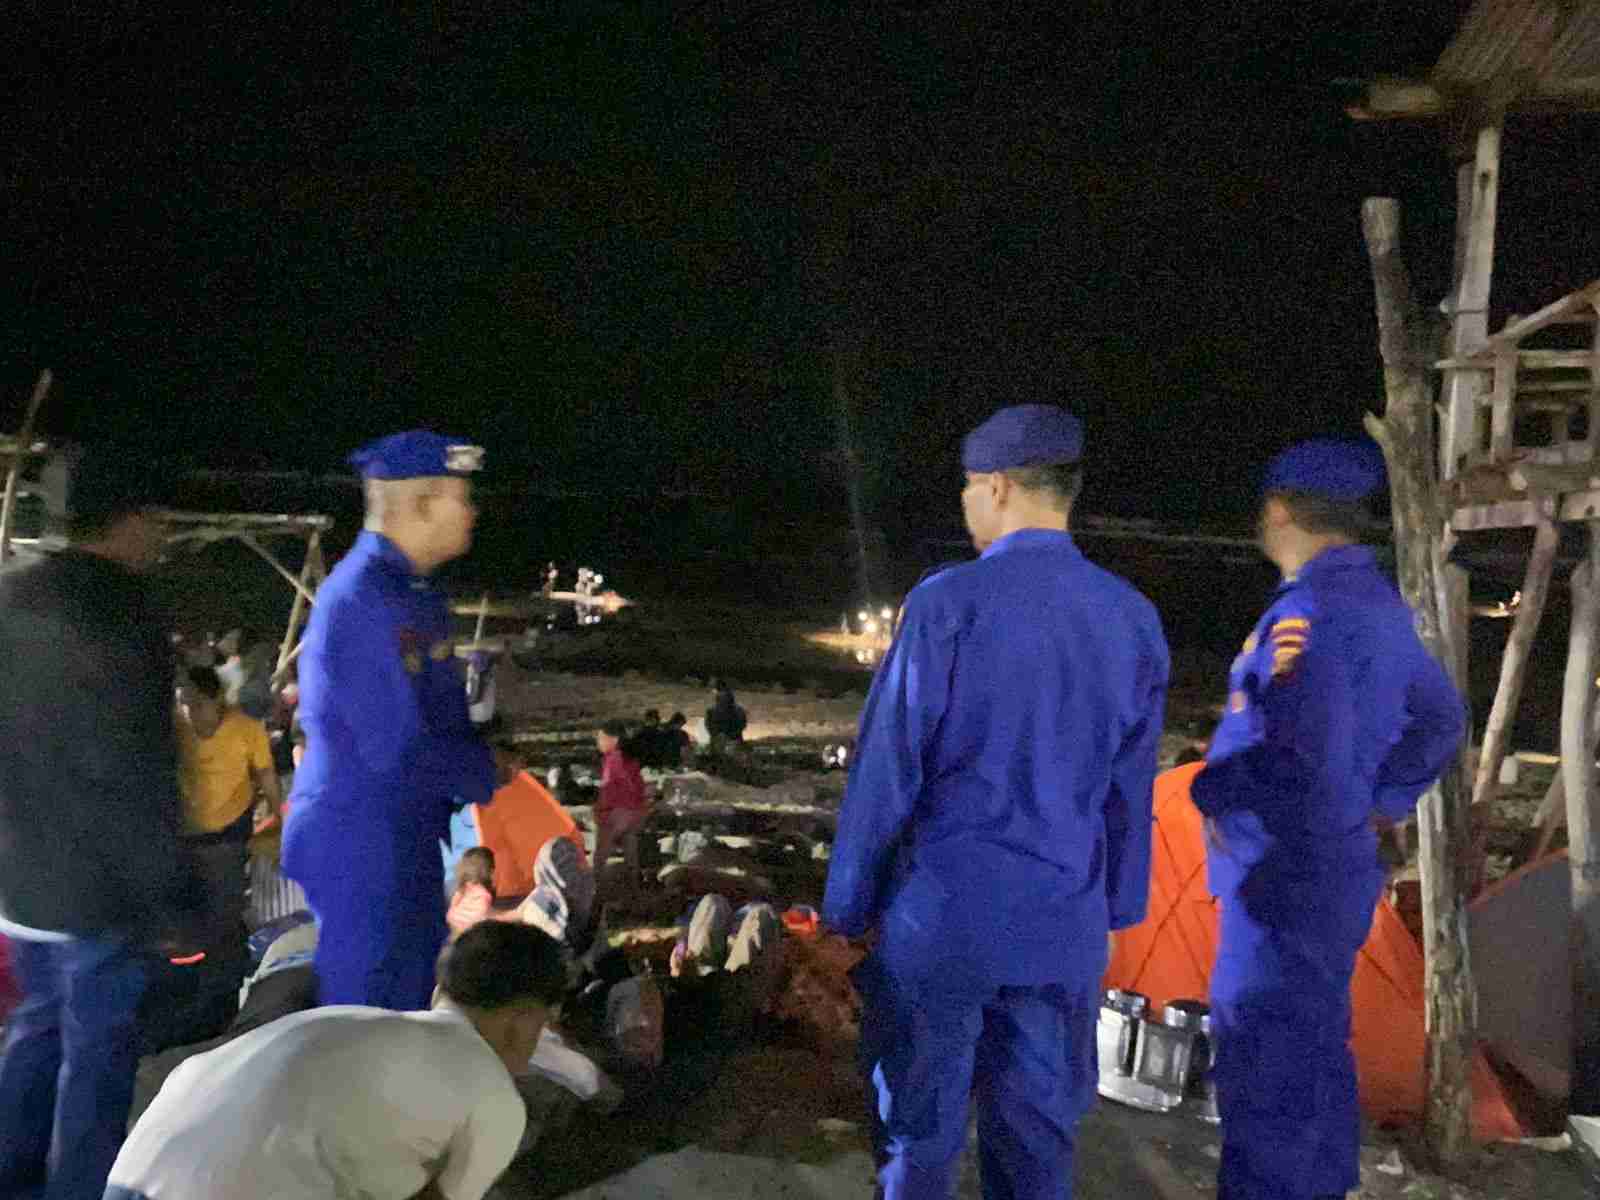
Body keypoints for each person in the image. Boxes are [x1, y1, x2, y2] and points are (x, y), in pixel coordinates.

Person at [822, 404, 1169, 1200]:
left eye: (970, 490)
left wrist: (847, 906)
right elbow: (1128, 790)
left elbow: (888, 772)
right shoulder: (1134, 619)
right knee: (1040, 1136)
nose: (968, 507)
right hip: (1063, 924)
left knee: (920, 1131)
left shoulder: (948, 604)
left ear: (1002, 487)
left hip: (947, 917)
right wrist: (1117, 904)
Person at [1191, 439, 1463, 1200]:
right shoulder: (1381, 610)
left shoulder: (1306, 617)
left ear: (1279, 514)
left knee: (1263, 1068)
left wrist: (1213, 792)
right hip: (1335, 867)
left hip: (1282, 875)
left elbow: (1296, 757)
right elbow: (1439, 722)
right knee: (1314, 1053)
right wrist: (1381, 802)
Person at [0, 441, 196, 1200]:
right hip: (99, 893)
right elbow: (135, 770)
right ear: (131, 519)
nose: (163, 536)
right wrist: (172, 895)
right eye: (158, 519)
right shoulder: (123, 614)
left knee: (36, 1029)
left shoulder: (12, 596)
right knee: (97, 1057)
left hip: (21, 885)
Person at [104, 921, 566, 1200]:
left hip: (130, 1177)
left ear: (439, 992)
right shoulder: (496, 1097)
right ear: (523, 1020)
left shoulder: (347, 1021)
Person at [282, 431, 496, 1009]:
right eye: (462, 496)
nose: (473, 510)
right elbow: (395, 748)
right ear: (422, 503)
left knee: (407, 1000)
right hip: (360, 840)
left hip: (399, 830)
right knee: (368, 1017)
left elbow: (440, 714)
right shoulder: (361, 601)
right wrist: (486, 770)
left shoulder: (414, 594)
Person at [176, 666, 280, 956]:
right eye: (184, 704)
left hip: (230, 828)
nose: (190, 713)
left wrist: (278, 814)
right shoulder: (176, 730)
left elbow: (265, 773)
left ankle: (226, 959)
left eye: (197, 704)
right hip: (189, 830)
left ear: (218, 699)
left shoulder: (246, 727)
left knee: (225, 900)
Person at [592, 720, 648, 887]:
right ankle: (634, 888)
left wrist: (600, 811)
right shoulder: (629, 757)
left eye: (601, 738)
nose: (598, 742)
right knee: (631, 852)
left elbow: (608, 790)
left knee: (599, 857)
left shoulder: (613, 759)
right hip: (636, 811)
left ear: (614, 740)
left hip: (618, 812)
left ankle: (594, 891)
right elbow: (638, 786)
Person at [447, 847, 498, 939]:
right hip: (470, 939)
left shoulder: (461, 889)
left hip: (454, 933)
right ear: (491, 872)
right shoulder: (483, 895)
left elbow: (451, 913)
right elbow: (481, 919)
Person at [704, 681, 747, 753]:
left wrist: (722, 736)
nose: (723, 702)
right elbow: (742, 725)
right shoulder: (711, 711)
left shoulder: (711, 711)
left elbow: (708, 726)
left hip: (727, 741)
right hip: (728, 741)